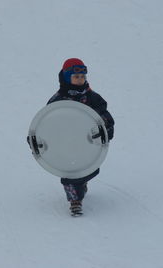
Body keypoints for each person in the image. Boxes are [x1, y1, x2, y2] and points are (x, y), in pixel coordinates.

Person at [47, 58, 115, 216]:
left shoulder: (92, 98)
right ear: (66, 77)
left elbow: (104, 115)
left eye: (82, 77)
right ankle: (75, 201)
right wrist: (39, 140)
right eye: (76, 76)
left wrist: (106, 127)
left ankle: (82, 184)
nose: (80, 80)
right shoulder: (58, 100)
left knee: (86, 168)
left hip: (87, 142)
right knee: (69, 172)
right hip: (65, 144)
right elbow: (47, 123)